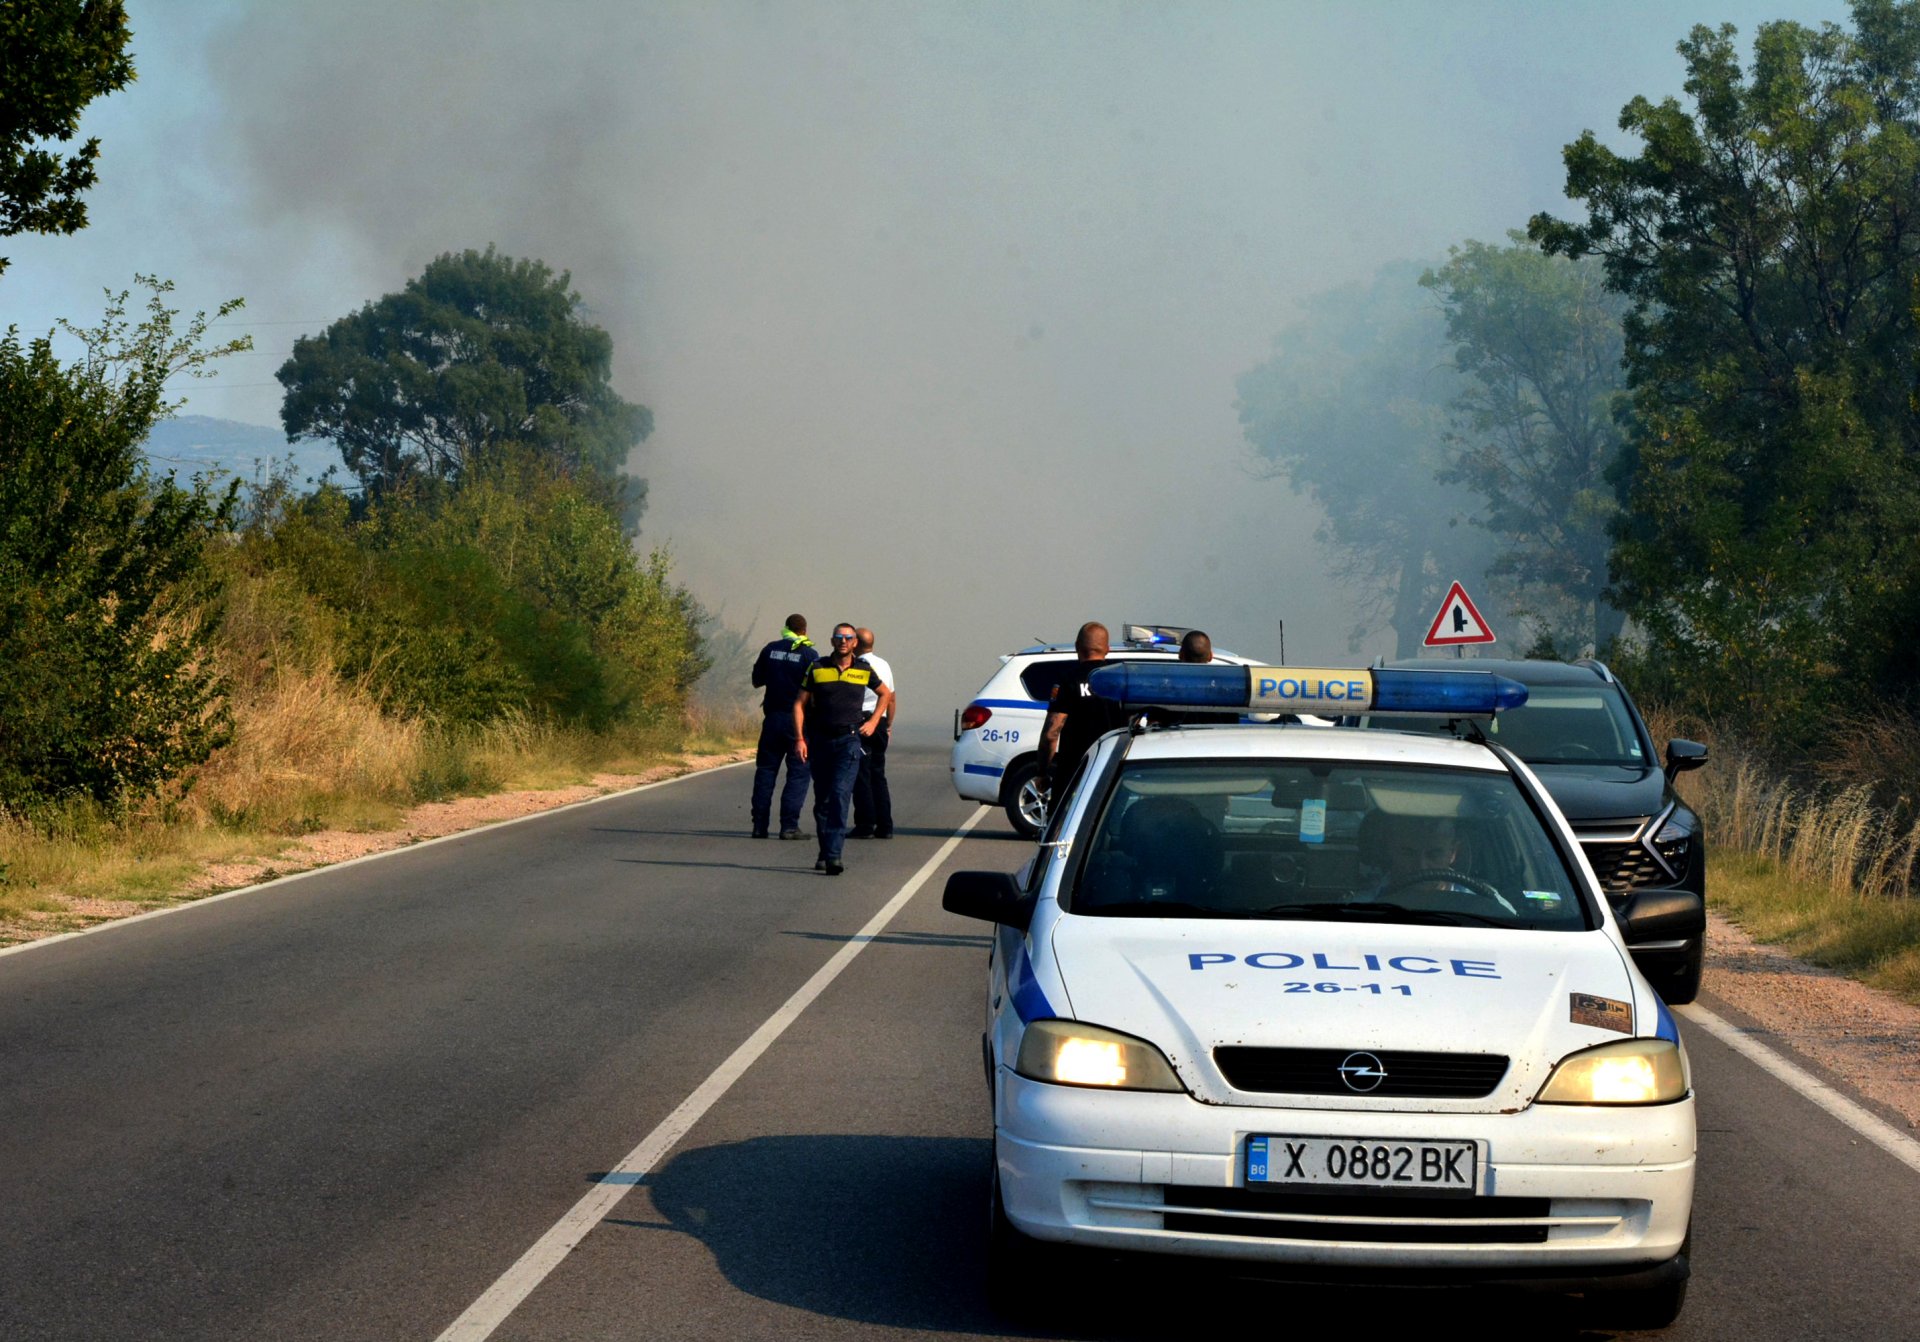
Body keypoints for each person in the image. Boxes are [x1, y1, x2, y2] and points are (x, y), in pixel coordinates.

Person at [795, 623, 894, 875]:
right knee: (824, 800)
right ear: (832, 641)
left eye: (848, 638)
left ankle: (834, 856)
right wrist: (800, 738)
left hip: (849, 741)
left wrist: (874, 722)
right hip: (820, 741)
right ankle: (825, 849)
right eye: (839, 637)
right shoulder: (817, 667)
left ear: (854, 644)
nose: (843, 642)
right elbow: (799, 703)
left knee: (840, 796)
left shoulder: (863, 669)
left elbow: (885, 694)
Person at [1038, 621, 1127, 805]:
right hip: (1111, 770)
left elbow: (1051, 732)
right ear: (1107, 649)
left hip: (1073, 772)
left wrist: (1043, 772)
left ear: (1077, 646)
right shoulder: (1121, 680)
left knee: (1062, 827)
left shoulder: (1068, 680)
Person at [748, 614, 819, 839]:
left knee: (766, 771)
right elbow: (815, 693)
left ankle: (759, 826)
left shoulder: (770, 649)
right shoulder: (809, 654)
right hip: (798, 723)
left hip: (772, 719)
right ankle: (789, 826)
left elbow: (756, 680)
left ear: (786, 628)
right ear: (804, 631)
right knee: (798, 773)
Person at [848, 627, 896, 839]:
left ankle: (865, 823)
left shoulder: (858, 666)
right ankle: (885, 825)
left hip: (863, 721)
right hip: (881, 720)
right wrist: (887, 724)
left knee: (861, 775)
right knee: (878, 774)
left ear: (856, 643)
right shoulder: (884, 665)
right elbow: (891, 698)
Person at [1147, 629, 1241, 728]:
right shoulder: (1225, 693)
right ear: (1210, 656)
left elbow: (1152, 728)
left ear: (1180, 655)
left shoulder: (1163, 691)